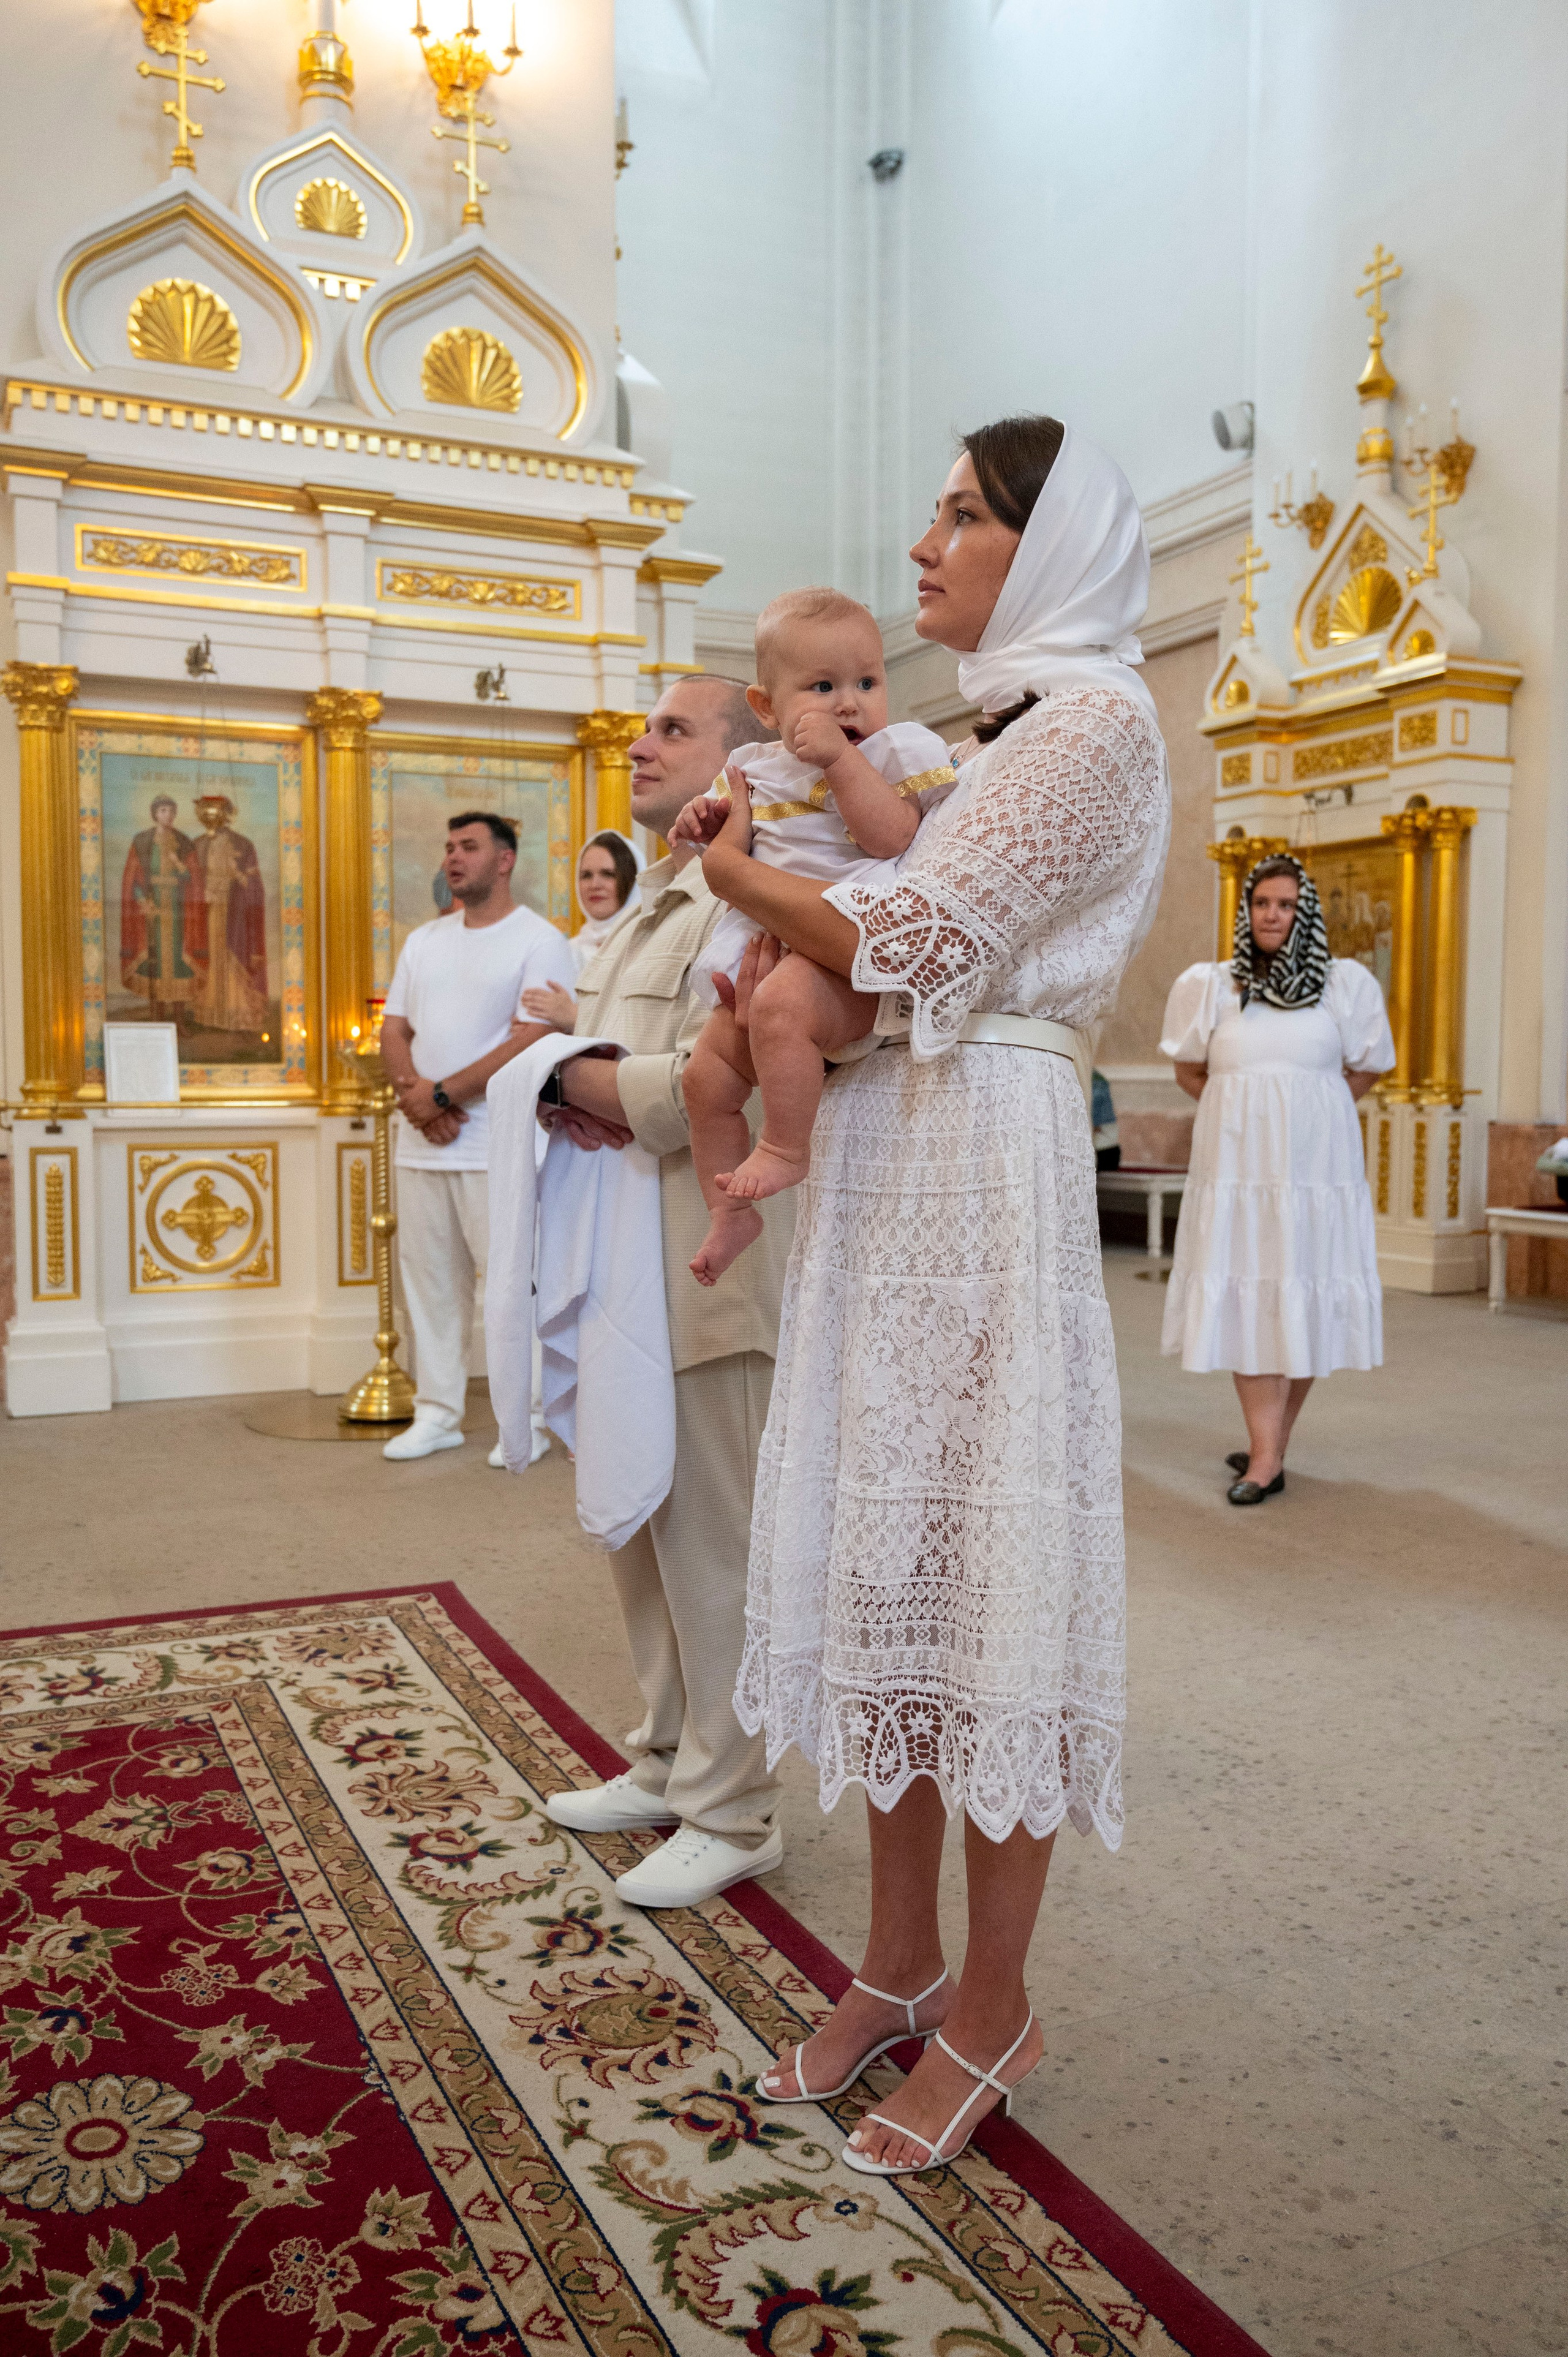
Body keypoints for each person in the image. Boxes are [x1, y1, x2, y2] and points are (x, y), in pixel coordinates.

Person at [699, 416, 1170, 2174]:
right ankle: (898, 1961)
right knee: (886, 1568)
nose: (923, 546)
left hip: (987, 1156)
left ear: (1043, 551)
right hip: (895, 1154)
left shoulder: (1100, 725)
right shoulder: (995, 723)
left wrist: (734, 871)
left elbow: (909, 944)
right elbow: (880, 917)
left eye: (962, 517)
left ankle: (996, 2000)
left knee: (984, 1581)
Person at [534, 675, 796, 1912]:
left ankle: (734, 1806)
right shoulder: (647, 905)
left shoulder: (755, 893)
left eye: (672, 730)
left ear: (739, 765)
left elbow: (712, 1075)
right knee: (639, 1510)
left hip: (710, 1259)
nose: (638, 744)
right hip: (625, 1258)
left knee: (714, 1542)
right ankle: (663, 1756)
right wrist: (567, 1074)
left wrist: (564, 1075)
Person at [671, 592, 954, 1284]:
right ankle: (728, 1212)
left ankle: (786, 1147)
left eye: (866, 681)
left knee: (779, 1008)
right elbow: (727, 846)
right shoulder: (755, 768)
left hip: (845, 948)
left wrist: (838, 761)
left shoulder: (895, 752)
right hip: (766, 940)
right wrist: (703, 820)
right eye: (822, 688)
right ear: (766, 707)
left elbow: (893, 836)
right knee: (704, 1079)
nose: (849, 703)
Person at [1159, 854, 1395, 1503]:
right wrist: (1246, 1109)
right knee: (1250, 1288)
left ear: (1305, 913)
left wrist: (1308, 1111)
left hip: (1316, 1171)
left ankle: (1267, 1450)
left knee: (1307, 1291)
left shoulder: (1344, 984)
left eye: (1286, 904)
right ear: (1248, 909)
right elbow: (1190, 1071)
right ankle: (1266, 1454)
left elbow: (1367, 1065)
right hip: (1238, 1166)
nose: (1272, 914)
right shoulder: (1211, 984)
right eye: (1262, 902)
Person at [378, 812, 576, 1463]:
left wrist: (441, 1095)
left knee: (509, 1281)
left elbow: (532, 1036)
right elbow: (393, 1028)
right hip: (423, 1142)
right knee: (430, 1282)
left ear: (505, 859)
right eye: (448, 847)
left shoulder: (539, 940)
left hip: (495, 1139)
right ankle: (439, 1411)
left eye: (468, 847)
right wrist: (417, 1095)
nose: (453, 858)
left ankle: (528, 1417)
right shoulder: (424, 941)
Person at [189, 792, 268, 1038]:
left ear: (226, 813)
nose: (211, 814)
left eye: (216, 809)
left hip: (234, 912)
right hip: (205, 911)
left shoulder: (242, 844)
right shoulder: (198, 844)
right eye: (206, 809)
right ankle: (209, 1012)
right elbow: (189, 881)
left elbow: (254, 887)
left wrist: (236, 875)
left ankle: (237, 1015)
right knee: (210, 957)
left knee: (230, 957)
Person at [120, 794, 199, 1025]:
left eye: (172, 811)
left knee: (177, 962)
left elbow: (193, 879)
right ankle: (157, 1018)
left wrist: (178, 864)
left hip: (177, 912)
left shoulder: (184, 843)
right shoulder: (142, 841)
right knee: (155, 962)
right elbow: (132, 880)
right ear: (155, 813)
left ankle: (179, 1020)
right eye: (164, 811)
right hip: (151, 912)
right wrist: (142, 901)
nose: (169, 815)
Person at [571, 829, 644, 976]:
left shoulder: (645, 947)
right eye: (586, 876)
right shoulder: (567, 951)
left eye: (608, 874)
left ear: (631, 882)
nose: (595, 885)